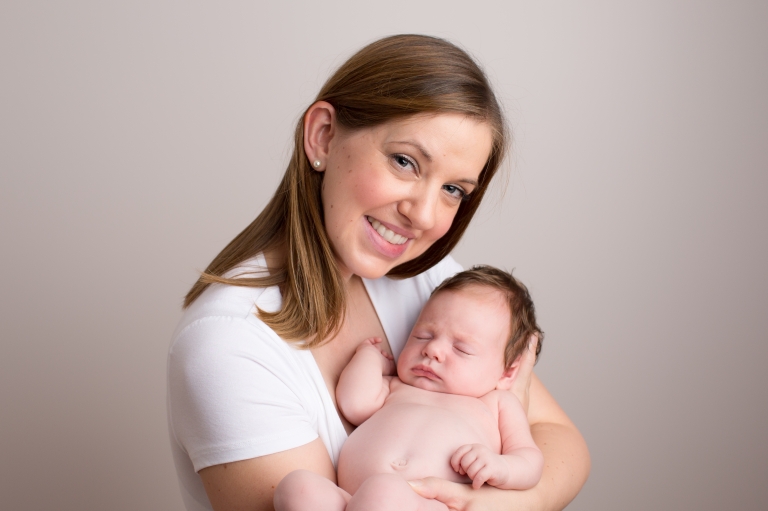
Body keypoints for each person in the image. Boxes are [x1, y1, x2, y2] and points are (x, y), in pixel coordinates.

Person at [167, 34, 590, 511]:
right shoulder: (230, 345)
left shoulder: (424, 281)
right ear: (323, 135)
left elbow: (562, 443)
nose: (425, 216)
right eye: (405, 161)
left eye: (453, 189)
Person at [274, 266, 545, 511]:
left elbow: (529, 459)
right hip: (353, 499)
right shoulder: (396, 387)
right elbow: (354, 403)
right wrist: (368, 356)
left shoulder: (497, 404)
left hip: (425, 504)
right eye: (423, 336)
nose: (433, 349)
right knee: (298, 488)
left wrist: (501, 467)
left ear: (508, 371)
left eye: (461, 349)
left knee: (383, 493)